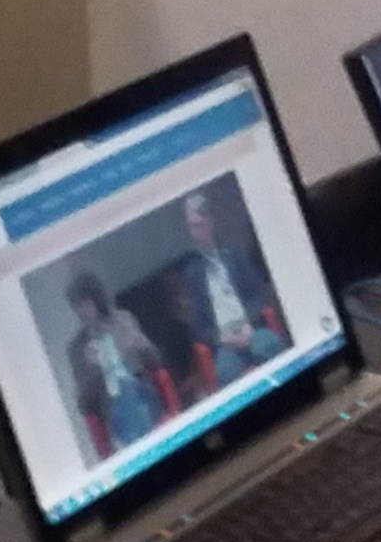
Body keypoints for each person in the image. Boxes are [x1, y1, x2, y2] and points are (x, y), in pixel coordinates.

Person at [171, 187, 283, 382]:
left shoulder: (233, 255)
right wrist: (220, 339)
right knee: (227, 372)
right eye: (192, 227)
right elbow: (198, 325)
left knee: (269, 346)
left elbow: (259, 292)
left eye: (200, 225)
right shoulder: (192, 273)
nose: (196, 233)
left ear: (210, 224)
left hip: (251, 328)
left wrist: (249, 324)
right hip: (224, 342)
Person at [60, 271, 170, 457]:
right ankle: (147, 445)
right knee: (123, 389)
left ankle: (140, 449)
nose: (81, 312)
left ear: (97, 300)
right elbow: (83, 403)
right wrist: (94, 370)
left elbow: (157, 361)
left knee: (128, 387)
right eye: (76, 307)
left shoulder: (123, 320)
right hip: (112, 409)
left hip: (144, 396)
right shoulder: (77, 347)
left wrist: (140, 344)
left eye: (85, 304)